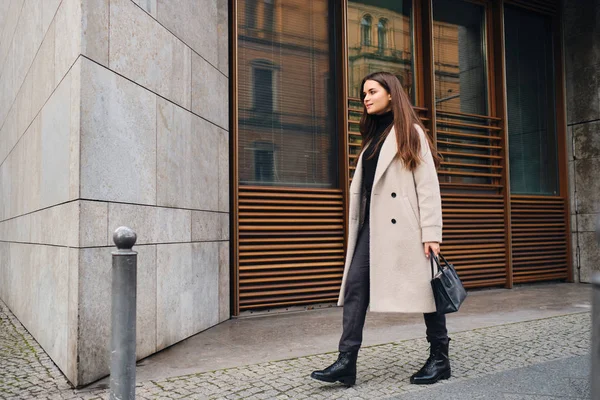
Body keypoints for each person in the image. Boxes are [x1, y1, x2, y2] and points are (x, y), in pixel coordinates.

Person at [310, 71, 449, 387]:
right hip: (372, 228)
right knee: (356, 286)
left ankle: (440, 357)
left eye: (372, 91)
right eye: (363, 94)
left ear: (391, 94)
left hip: (407, 230)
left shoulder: (410, 133)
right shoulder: (373, 137)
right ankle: (346, 361)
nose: (366, 98)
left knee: (429, 290)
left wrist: (431, 234)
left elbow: (427, 186)